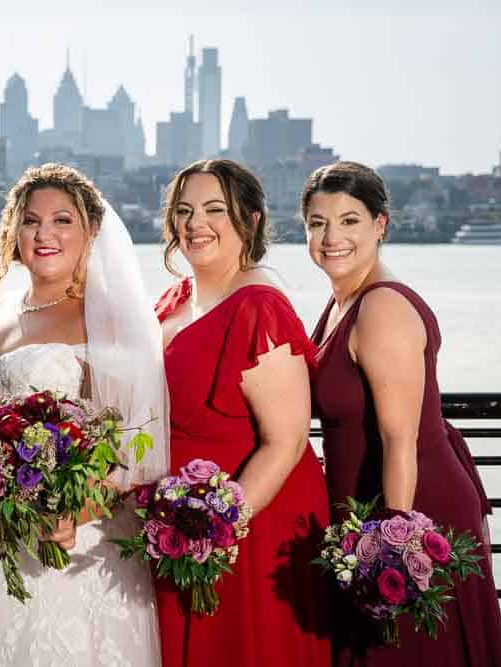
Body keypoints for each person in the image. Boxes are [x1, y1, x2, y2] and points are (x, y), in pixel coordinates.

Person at [0, 163, 169, 665]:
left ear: (90, 232)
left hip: (72, 540)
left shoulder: (109, 320)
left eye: (62, 220)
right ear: (13, 232)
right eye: (30, 221)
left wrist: (76, 513)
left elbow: (136, 451)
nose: (44, 233)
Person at [302, 161, 501, 666]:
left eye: (349, 221)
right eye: (317, 223)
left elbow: (400, 441)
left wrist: (398, 548)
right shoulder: (339, 304)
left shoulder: (383, 308)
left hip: (407, 510)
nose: (331, 237)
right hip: (364, 510)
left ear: (381, 225)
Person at [153, 159, 331, 667]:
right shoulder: (174, 299)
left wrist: (216, 531)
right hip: (181, 517)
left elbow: (287, 441)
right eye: (184, 211)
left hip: (247, 521)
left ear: (250, 220)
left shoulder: (259, 307)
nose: (195, 224)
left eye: (215, 210)